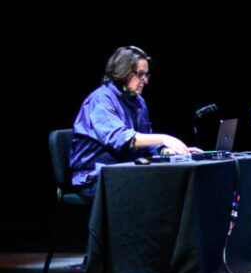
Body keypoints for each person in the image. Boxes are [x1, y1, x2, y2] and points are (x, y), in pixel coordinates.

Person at [69, 46, 201, 197]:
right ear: (122, 72)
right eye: (140, 75)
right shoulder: (100, 100)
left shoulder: (138, 102)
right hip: (96, 177)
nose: (145, 81)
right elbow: (121, 139)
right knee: (151, 191)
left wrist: (166, 151)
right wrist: (164, 138)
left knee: (173, 184)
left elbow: (146, 141)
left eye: (147, 75)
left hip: (127, 172)